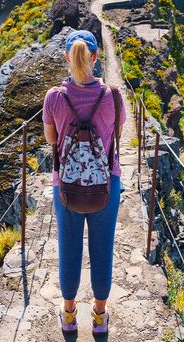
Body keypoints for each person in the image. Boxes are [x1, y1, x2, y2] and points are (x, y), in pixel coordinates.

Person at [42, 29, 125, 335]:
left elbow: (51, 140)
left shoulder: (54, 97)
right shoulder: (113, 96)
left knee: (69, 249)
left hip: (65, 186)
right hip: (106, 184)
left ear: (67, 57)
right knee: (103, 249)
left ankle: (68, 314)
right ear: (95, 57)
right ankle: (100, 318)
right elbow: (117, 135)